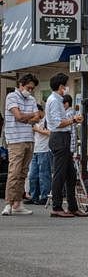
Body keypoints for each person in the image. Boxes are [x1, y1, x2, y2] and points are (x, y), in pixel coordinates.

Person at [45, 73, 87, 218]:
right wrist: (74, 119)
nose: (66, 88)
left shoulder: (57, 99)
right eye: (65, 85)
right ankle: (56, 206)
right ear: (61, 86)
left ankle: (72, 206)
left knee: (70, 174)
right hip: (59, 137)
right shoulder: (55, 101)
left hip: (62, 137)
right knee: (59, 174)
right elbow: (58, 123)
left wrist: (72, 120)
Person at [2, 74, 40, 216]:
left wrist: (27, 116)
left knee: (23, 173)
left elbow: (38, 117)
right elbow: (18, 116)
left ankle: (18, 203)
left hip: (29, 138)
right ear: (21, 85)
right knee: (14, 172)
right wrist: (30, 115)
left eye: (32, 89)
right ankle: (8, 203)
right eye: (28, 87)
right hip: (15, 139)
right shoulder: (12, 96)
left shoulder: (31, 99)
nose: (30, 91)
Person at [26, 105, 51, 205]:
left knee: (43, 174)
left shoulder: (47, 120)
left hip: (44, 150)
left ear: (40, 111)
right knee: (32, 175)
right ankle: (33, 196)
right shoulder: (35, 121)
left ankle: (44, 196)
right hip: (35, 150)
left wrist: (37, 130)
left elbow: (50, 133)